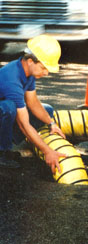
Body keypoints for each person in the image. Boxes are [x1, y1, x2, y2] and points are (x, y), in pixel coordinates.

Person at [0, 34, 66, 173]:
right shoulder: (12, 79)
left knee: (47, 110)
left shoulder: (27, 72)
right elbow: (23, 125)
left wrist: (51, 124)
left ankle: (6, 141)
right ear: (30, 61)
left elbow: (33, 102)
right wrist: (47, 151)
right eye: (43, 67)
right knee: (9, 108)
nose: (46, 73)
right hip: (4, 110)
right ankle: (2, 152)